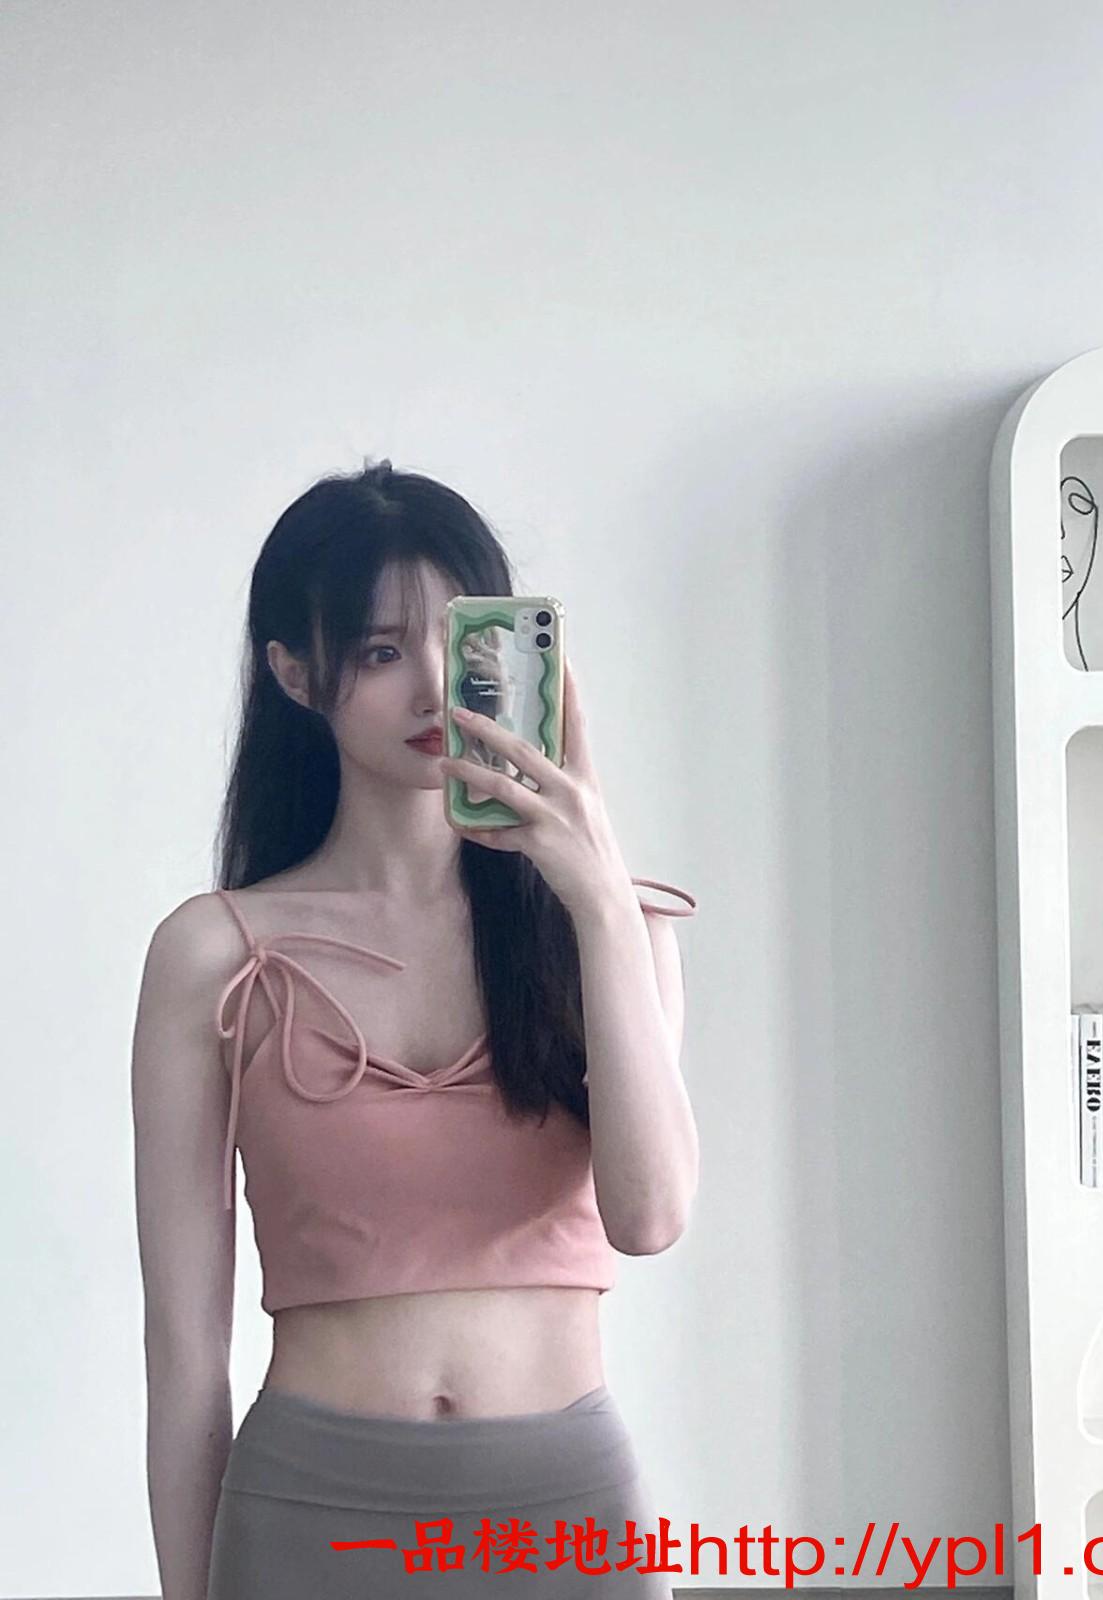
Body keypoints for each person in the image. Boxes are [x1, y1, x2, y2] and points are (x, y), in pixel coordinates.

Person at [131, 460, 699, 1599]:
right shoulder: (214, 954)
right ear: (296, 673)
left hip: (563, 1515)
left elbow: (649, 1218)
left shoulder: (609, 928)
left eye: (459, 638)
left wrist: (595, 894)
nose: (436, 685)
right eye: (382, 651)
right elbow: (185, 1358)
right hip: (307, 1512)